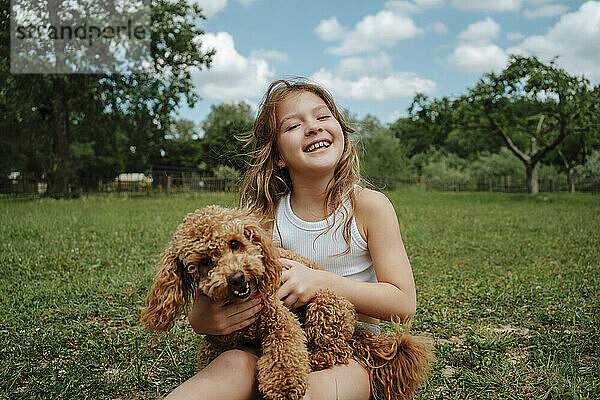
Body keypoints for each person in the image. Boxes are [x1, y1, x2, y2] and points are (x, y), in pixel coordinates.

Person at [166, 78, 417, 400]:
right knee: (231, 365)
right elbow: (217, 272)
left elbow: (403, 304)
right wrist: (201, 318)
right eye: (293, 125)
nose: (313, 127)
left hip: (350, 349)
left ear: (342, 132)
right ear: (278, 157)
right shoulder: (260, 216)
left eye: (323, 117)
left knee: (306, 393)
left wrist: (319, 282)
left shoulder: (369, 207)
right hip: (268, 341)